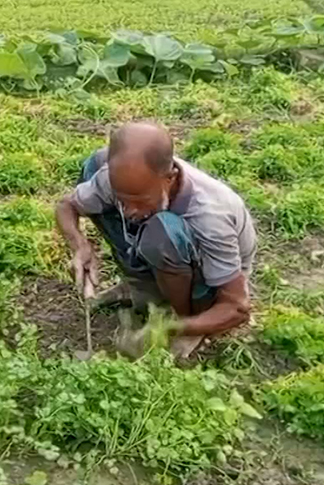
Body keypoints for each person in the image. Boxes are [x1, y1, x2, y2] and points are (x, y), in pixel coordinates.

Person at [56, 123, 256, 359]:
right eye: (122, 200)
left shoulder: (211, 216)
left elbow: (237, 307)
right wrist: (80, 245)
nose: (129, 211)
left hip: (207, 281)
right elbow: (66, 205)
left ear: (170, 178)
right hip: (166, 250)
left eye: (140, 200)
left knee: (163, 233)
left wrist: (170, 329)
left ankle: (182, 315)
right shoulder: (122, 181)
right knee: (94, 164)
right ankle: (141, 285)